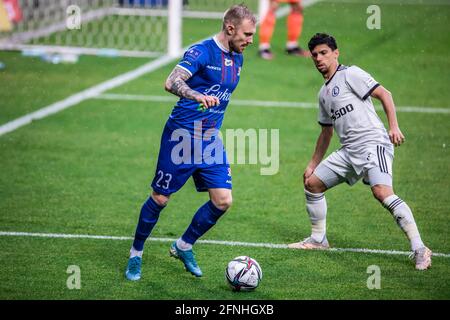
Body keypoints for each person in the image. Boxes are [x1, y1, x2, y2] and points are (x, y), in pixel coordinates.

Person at [125, 4, 257, 280]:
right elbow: (171, 81)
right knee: (160, 199)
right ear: (230, 28)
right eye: (246, 34)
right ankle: (135, 254)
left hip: (209, 139)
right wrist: (195, 95)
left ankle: (183, 246)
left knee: (222, 201)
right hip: (181, 137)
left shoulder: (239, 57)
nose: (250, 40)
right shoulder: (201, 52)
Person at [288, 33, 432, 270]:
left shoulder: (350, 74)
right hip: (349, 151)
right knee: (312, 183)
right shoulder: (323, 94)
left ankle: (420, 248)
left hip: (373, 143)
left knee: (382, 192)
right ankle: (318, 239)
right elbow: (326, 133)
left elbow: (385, 94)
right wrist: (312, 164)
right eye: (314, 55)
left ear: (336, 53)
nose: (318, 58)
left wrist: (393, 126)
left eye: (324, 53)